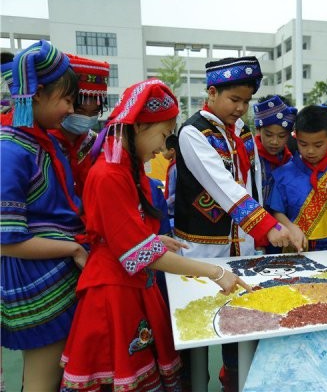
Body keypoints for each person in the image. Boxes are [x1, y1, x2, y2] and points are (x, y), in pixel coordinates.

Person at [59, 79, 250, 391]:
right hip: (114, 293)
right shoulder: (109, 175)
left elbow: (120, 234)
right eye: (162, 135)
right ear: (137, 127)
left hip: (131, 284)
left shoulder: (123, 169)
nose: (163, 148)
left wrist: (154, 241)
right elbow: (138, 254)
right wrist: (214, 272)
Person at [173, 56, 295, 391]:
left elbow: (250, 185)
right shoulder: (193, 133)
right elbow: (223, 187)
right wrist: (266, 226)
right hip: (203, 251)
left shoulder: (239, 133)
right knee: (199, 333)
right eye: (234, 99)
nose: (241, 108)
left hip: (242, 246)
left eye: (246, 101)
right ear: (211, 92)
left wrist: (264, 229)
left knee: (241, 330)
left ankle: (235, 383)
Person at [0, 40, 87, 391]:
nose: (71, 109)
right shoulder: (11, 151)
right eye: (66, 99)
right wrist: (73, 249)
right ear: (36, 94)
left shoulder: (39, 142)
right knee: (42, 380)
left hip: (49, 271)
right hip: (36, 279)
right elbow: (6, 241)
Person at [268, 105, 327, 251]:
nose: (310, 151)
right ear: (296, 137)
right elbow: (276, 211)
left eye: (318, 145)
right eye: (303, 144)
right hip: (295, 247)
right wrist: (291, 227)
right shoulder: (283, 173)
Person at [49, 53, 110, 198]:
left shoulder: (95, 143)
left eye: (94, 112)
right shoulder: (44, 141)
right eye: (80, 111)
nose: (86, 118)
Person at [253, 94, 296, 203]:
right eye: (268, 135)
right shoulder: (247, 156)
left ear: (289, 134)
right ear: (258, 130)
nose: (274, 142)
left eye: (281, 136)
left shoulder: (290, 161)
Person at [162, 134, 177, 220]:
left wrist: (165, 203)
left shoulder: (176, 167)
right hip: (170, 208)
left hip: (173, 211)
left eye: (163, 150)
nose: (162, 154)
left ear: (172, 150)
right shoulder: (172, 165)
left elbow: (178, 191)